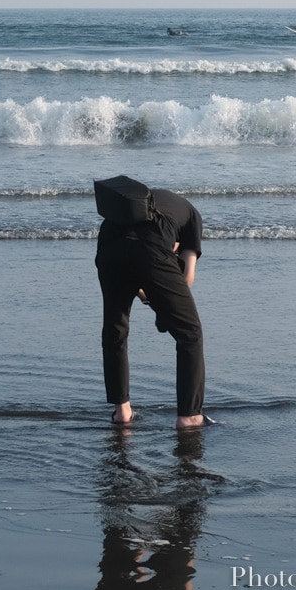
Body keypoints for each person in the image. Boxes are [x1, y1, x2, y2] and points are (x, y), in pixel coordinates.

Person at [95, 182, 207, 429]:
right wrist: (157, 301)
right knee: (190, 334)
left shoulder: (155, 204)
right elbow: (187, 276)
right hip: (151, 247)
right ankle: (190, 416)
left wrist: (148, 295)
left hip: (108, 244)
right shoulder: (193, 216)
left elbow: (133, 273)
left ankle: (122, 411)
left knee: (116, 329)